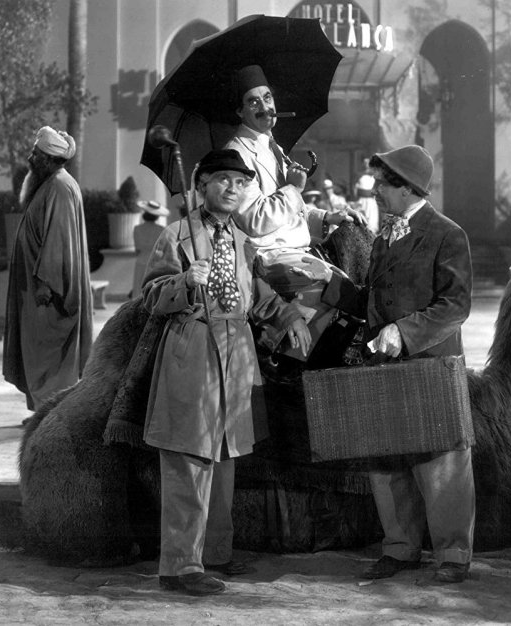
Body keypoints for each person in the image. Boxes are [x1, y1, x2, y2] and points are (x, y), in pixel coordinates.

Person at [296, 145, 475, 584]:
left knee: (441, 462)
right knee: (388, 458)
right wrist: (328, 282)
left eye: (382, 184)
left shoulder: (447, 234)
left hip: (430, 365)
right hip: (384, 365)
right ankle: (399, 548)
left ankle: (452, 555)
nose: (375, 190)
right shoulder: (383, 238)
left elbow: (455, 305)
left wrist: (404, 332)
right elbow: (374, 299)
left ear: (407, 189)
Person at [142, 149, 311, 596]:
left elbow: (259, 297)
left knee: (225, 457)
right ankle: (180, 566)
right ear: (201, 185)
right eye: (223, 180)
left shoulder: (242, 240)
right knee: (188, 457)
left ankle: (216, 553)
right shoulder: (176, 235)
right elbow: (151, 297)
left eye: (241, 183)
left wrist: (290, 318)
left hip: (236, 355)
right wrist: (183, 282)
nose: (233, 189)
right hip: (193, 350)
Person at [223, 65, 366, 347]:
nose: (264, 107)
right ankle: (291, 360)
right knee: (335, 287)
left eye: (267, 98)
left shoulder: (273, 147)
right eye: (253, 102)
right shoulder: (237, 153)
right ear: (240, 112)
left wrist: (328, 217)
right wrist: (293, 189)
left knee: (349, 280)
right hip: (267, 256)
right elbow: (255, 219)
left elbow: (291, 213)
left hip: (294, 250)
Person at [3, 126, 93, 412]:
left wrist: (46, 282)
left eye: (36, 153)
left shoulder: (60, 187)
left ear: (48, 158)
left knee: (47, 354)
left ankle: (49, 414)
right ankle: (42, 412)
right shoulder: (52, 183)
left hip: (48, 290)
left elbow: (58, 241)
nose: (31, 158)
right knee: (37, 352)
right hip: (37, 286)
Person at [131, 200, 170, 299]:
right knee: (154, 288)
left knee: (138, 287)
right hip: (156, 261)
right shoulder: (161, 229)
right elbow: (164, 249)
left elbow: (137, 249)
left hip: (141, 260)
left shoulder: (137, 228)